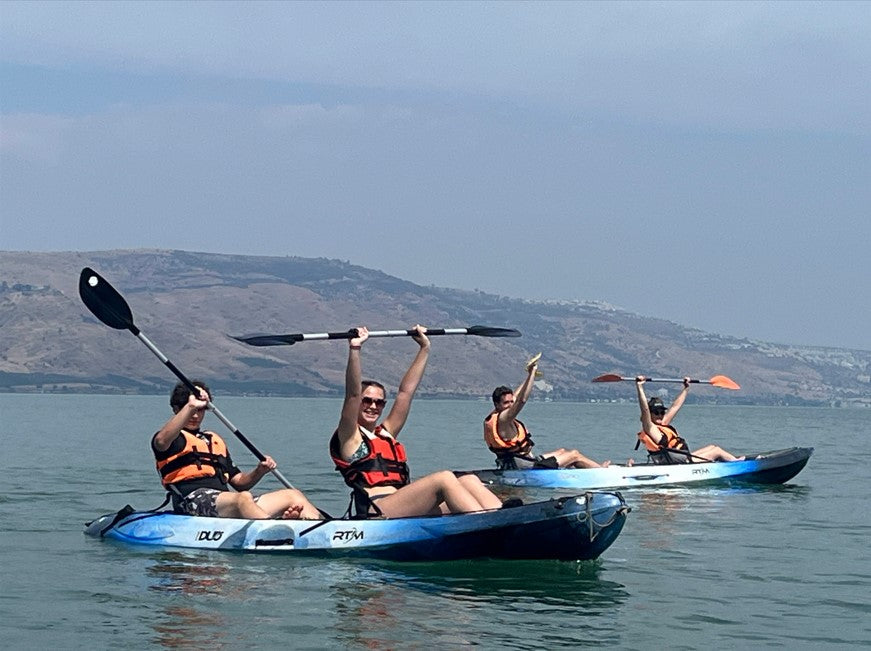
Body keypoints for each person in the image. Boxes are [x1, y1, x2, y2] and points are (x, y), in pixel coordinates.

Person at [329, 325, 505, 518]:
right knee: (444, 478)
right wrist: (355, 349)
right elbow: (352, 395)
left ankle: (505, 518)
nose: (373, 406)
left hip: (406, 505)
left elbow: (406, 393)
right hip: (377, 510)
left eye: (379, 402)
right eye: (367, 400)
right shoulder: (350, 436)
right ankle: (485, 522)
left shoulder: (386, 434)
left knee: (469, 480)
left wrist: (424, 348)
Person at [152, 380, 322, 519]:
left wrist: (259, 471)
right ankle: (276, 529)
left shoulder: (212, 440)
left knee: (293, 495)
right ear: (176, 409)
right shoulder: (171, 438)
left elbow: (240, 483)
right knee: (243, 499)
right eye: (191, 410)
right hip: (191, 501)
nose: (195, 415)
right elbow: (161, 441)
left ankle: (321, 528)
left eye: (201, 409)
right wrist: (190, 405)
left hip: (226, 501)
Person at [485, 353, 610, 469]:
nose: (510, 405)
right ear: (497, 404)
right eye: (506, 403)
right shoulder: (504, 419)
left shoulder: (497, 415)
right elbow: (521, 400)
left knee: (562, 451)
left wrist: (529, 376)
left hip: (523, 461)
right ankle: (601, 471)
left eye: (511, 402)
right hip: (524, 467)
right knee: (574, 454)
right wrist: (533, 372)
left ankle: (583, 469)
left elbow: (516, 397)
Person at [635, 375, 742, 463]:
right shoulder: (650, 428)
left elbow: (675, 407)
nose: (660, 415)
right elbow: (644, 410)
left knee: (713, 447)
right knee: (717, 451)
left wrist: (686, 388)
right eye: (656, 412)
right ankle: (738, 464)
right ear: (650, 414)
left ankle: (733, 461)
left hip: (681, 458)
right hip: (679, 462)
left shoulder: (662, 424)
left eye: (662, 412)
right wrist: (639, 387)